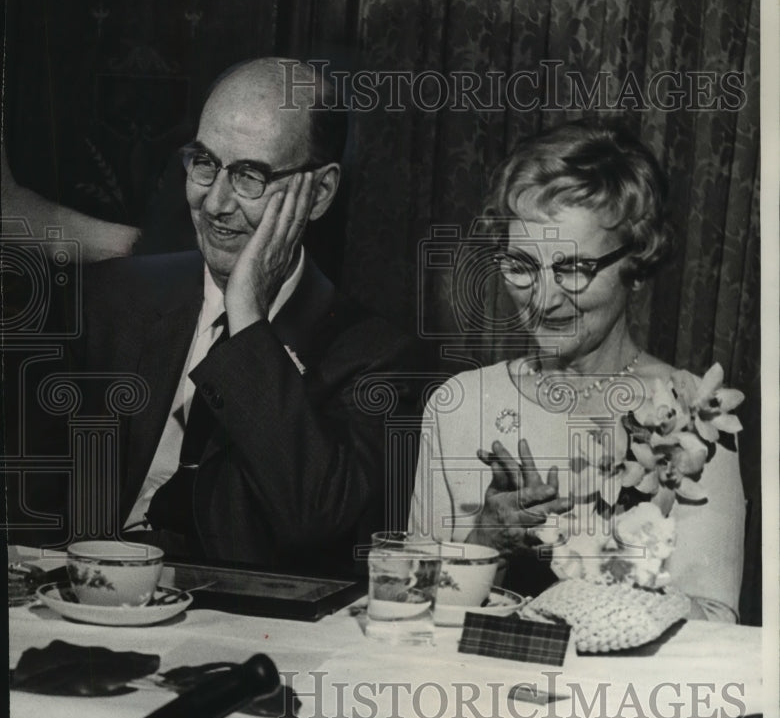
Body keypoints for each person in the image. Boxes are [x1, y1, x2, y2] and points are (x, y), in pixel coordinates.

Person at [12, 58, 419, 573]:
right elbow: (29, 508)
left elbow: (314, 520)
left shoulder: (376, 357)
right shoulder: (108, 302)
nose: (216, 203)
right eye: (205, 163)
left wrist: (246, 316)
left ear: (319, 193)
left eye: (251, 175)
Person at [409, 119, 745, 621]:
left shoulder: (695, 416)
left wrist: (609, 580)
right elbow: (409, 615)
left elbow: (717, 631)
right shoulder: (459, 404)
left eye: (573, 268)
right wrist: (484, 542)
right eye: (521, 264)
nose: (543, 299)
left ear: (636, 264)